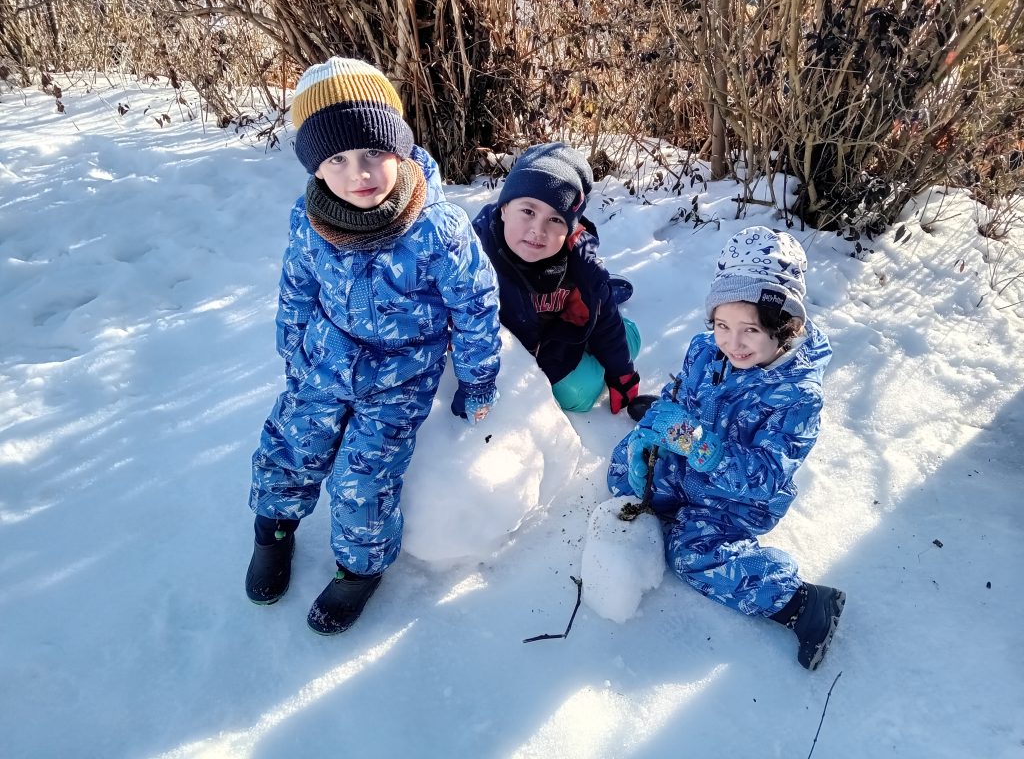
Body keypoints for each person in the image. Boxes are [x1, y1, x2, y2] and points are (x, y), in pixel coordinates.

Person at [244, 58, 501, 635]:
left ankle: (359, 568)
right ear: (315, 166)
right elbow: (297, 283)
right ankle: (273, 529)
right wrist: (293, 347)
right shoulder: (309, 218)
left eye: (372, 152)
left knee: (363, 477)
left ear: (399, 149)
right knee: (291, 442)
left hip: (400, 375)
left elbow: (476, 305)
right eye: (336, 159)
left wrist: (478, 377)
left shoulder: (437, 228)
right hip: (324, 356)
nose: (358, 173)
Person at [607, 226, 844, 670]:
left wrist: (694, 442)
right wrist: (655, 428)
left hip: (735, 500)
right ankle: (664, 501)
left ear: (785, 326)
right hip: (688, 463)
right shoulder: (706, 349)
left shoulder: (797, 397)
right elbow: (684, 393)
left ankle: (801, 603)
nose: (733, 343)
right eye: (722, 325)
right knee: (622, 469)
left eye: (750, 329)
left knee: (692, 553)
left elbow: (765, 478)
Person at [472, 142, 642, 415]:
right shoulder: (474, 254)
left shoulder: (579, 258)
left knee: (630, 338)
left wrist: (622, 374)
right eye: (528, 211)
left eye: (555, 220)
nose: (538, 230)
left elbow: (605, 319)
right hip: (528, 348)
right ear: (504, 208)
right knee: (582, 393)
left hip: (560, 329)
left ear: (570, 228)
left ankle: (606, 291)